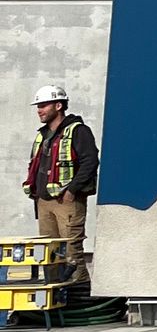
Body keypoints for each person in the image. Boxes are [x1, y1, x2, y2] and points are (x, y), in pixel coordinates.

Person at [23, 85, 98, 274]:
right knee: (50, 253)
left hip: (67, 201)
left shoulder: (78, 131)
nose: (39, 110)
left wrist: (72, 191)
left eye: (44, 105)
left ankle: (78, 296)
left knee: (72, 253)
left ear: (58, 106)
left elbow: (90, 162)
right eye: (38, 106)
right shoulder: (43, 135)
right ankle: (56, 296)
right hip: (44, 201)